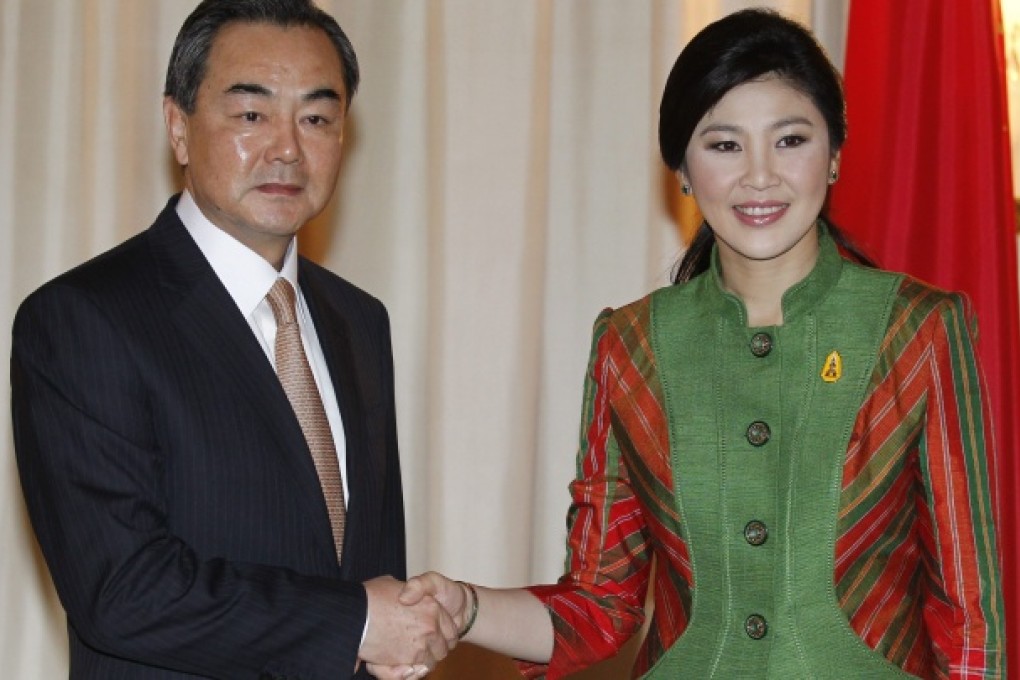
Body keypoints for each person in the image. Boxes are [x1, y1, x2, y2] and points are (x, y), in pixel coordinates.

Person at [376, 7, 1007, 679]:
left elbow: (969, 617)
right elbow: (599, 605)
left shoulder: (919, 329)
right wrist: (464, 606)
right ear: (680, 166)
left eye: (790, 140)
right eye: (724, 144)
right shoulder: (633, 344)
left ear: (835, 154)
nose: (759, 176)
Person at [11, 1, 457, 677]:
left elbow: (367, 569)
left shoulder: (360, 321)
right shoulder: (83, 319)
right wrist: (359, 622)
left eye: (316, 118)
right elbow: (122, 589)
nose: (287, 148)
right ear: (179, 128)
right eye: (252, 115)